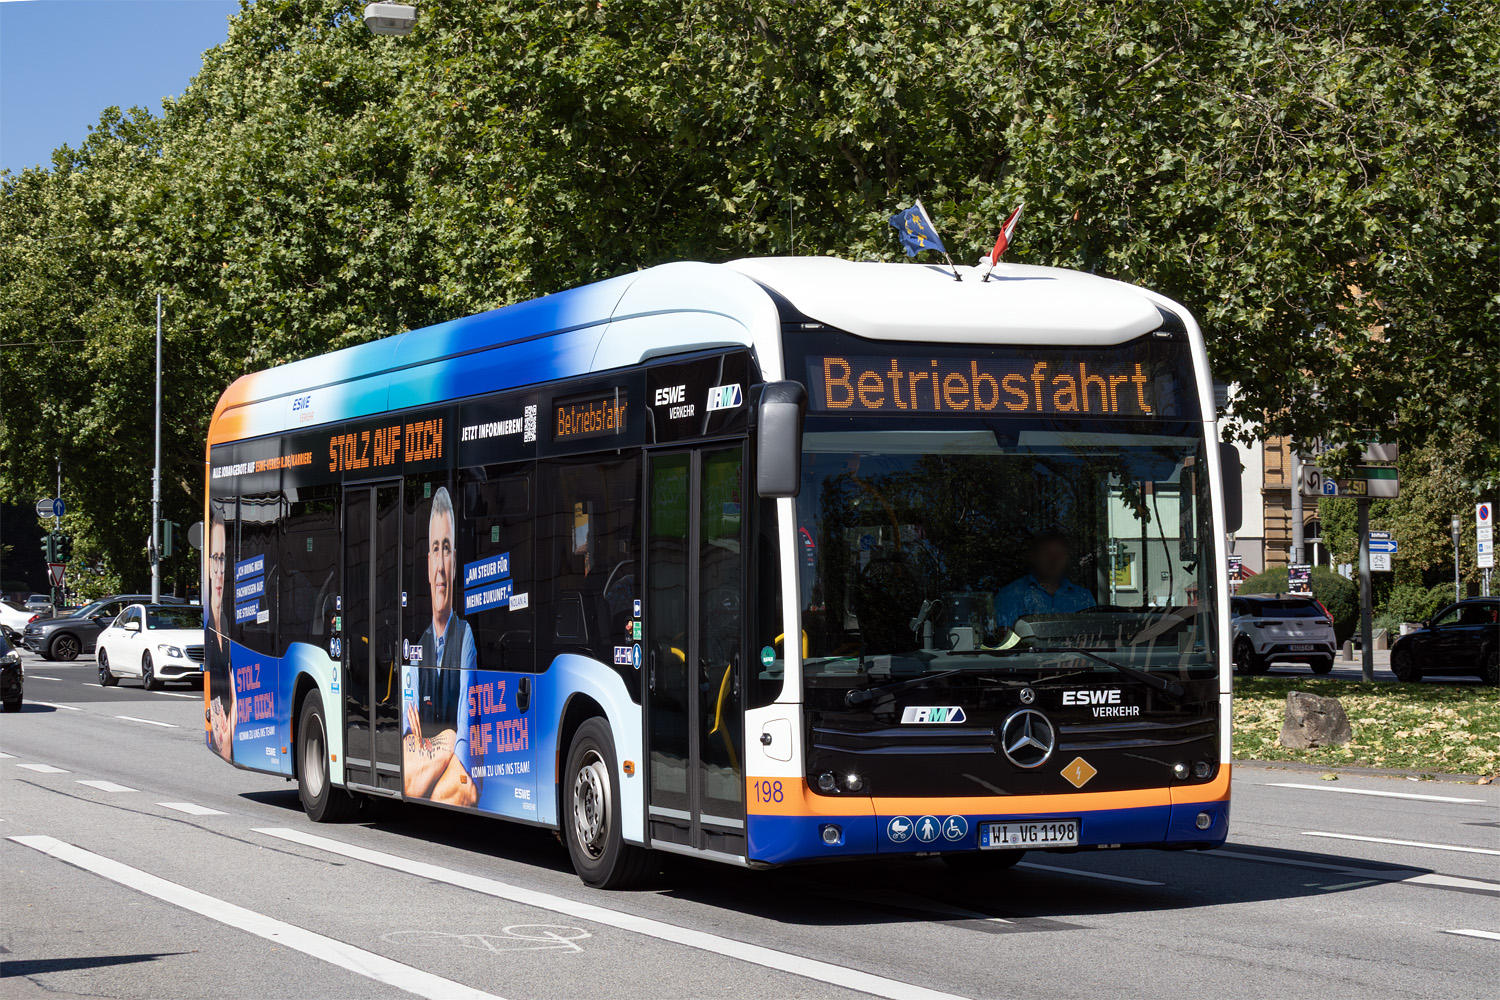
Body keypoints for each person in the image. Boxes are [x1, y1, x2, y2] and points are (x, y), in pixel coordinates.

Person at [401, 486, 479, 805]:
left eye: (447, 548)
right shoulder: (417, 648)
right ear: (428, 562)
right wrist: (447, 742)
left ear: (454, 561)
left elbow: (466, 783)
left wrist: (438, 744)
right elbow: (404, 767)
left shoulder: (466, 639)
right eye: (436, 548)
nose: (441, 570)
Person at [995, 530, 1096, 629]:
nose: (1054, 560)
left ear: (1068, 558)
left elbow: (1095, 636)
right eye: (1046, 554)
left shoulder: (1083, 596)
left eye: (1060, 554)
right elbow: (1004, 639)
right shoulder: (1010, 595)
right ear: (1032, 557)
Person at [205, 505, 235, 761]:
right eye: (214, 558)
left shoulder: (233, 626)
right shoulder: (210, 632)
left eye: (223, 559)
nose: (218, 572)